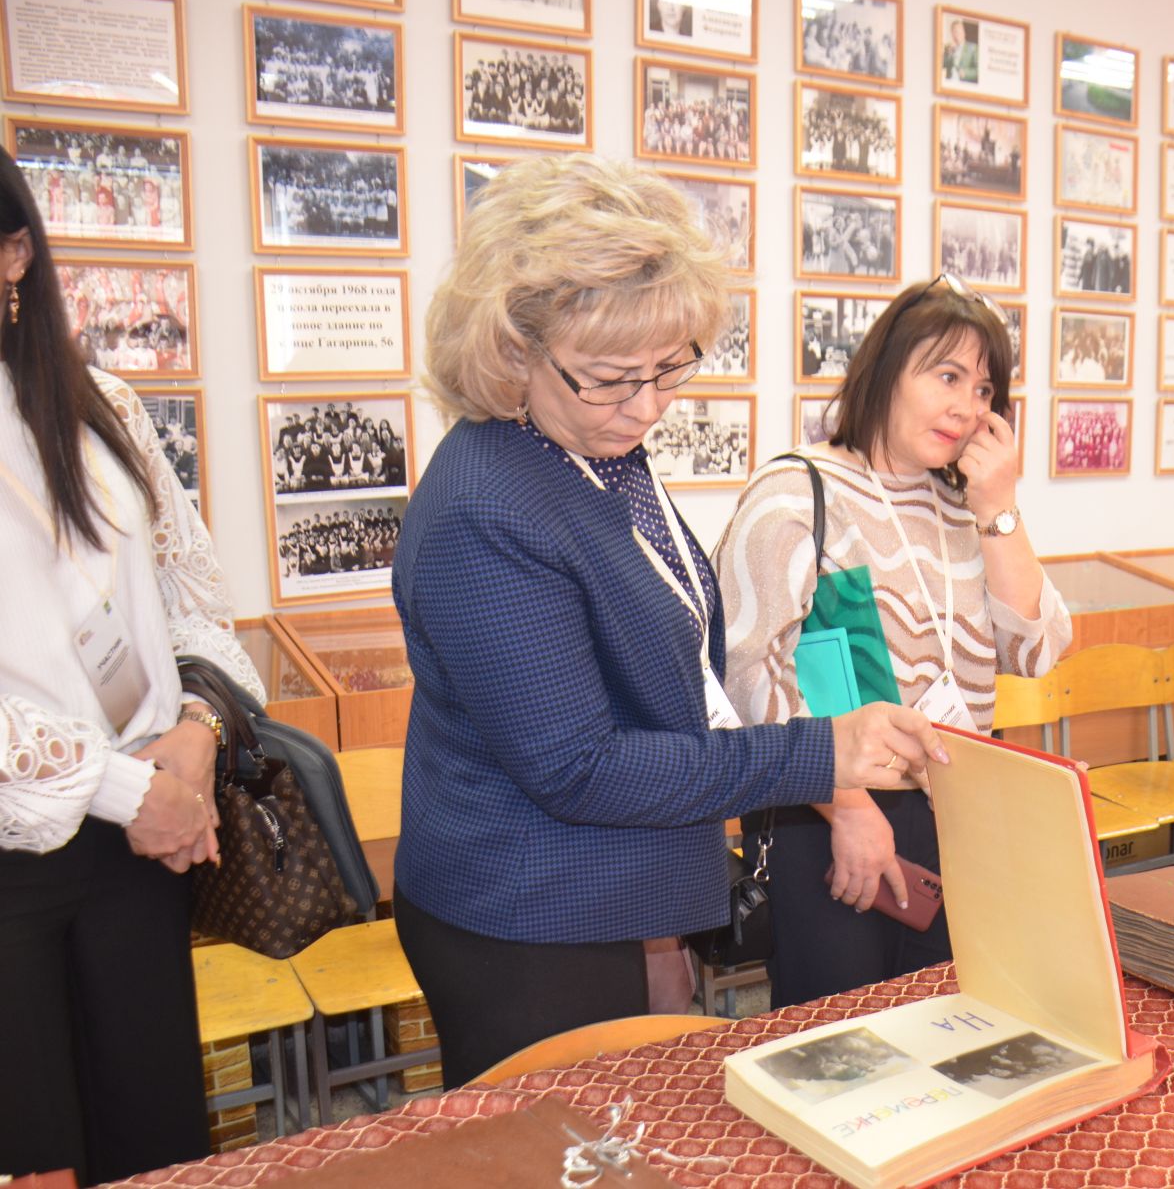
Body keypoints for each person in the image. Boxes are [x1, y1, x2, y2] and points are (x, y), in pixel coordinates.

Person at [392, 154, 944, 1087]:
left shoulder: (586, 445)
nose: (644, 408)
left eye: (667, 371)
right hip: (525, 914)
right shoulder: (487, 508)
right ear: (515, 348)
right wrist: (821, 753)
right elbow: (580, 766)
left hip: (606, 889)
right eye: (611, 378)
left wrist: (662, 921)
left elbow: (669, 674)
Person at [0, 147, 261, 1184]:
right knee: (38, 1166)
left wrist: (195, 740)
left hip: (142, 850)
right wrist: (127, 789)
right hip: (21, 858)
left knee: (158, 1151)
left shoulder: (100, 406)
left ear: (15, 252)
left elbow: (199, 605)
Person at [715, 274, 1071, 1009]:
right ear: (885, 372)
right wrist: (846, 807)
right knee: (842, 1051)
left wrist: (1000, 507)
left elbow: (1036, 650)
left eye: (982, 389)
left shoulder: (967, 507)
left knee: (949, 1028)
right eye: (945, 376)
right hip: (833, 814)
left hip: (957, 811)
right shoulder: (794, 494)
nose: (966, 407)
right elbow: (746, 680)